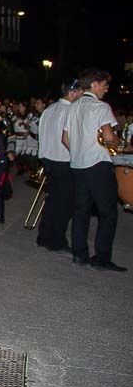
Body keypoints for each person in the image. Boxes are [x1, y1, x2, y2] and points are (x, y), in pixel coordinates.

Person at [63, 68, 125, 271]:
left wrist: (79, 151)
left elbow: (65, 138)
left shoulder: (72, 107)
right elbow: (108, 137)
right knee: (108, 213)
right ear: (95, 84)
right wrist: (119, 142)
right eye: (105, 85)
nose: (106, 89)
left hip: (77, 165)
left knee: (81, 211)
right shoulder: (101, 107)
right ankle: (101, 258)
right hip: (98, 165)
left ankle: (79, 255)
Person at [37, 80, 83, 252]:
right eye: (79, 93)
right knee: (65, 204)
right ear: (72, 93)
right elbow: (69, 139)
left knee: (52, 199)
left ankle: (44, 236)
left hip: (48, 159)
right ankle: (57, 241)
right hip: (64, 161)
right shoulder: (72, 111)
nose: (80, 97)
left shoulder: (49, 110)